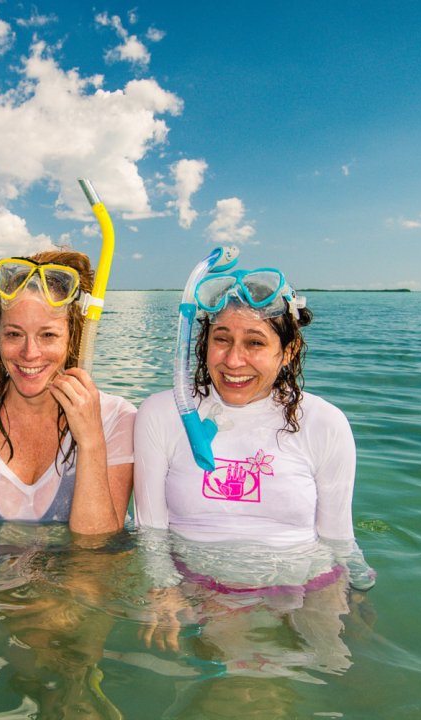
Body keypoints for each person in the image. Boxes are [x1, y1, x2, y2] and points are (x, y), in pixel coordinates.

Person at [132, 262, 375, 660]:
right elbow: (150, 529)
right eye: (221, 339)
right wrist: (163, 588)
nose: (233, 360)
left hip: (308, 580)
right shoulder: (162, 413)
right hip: (200, 584)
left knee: (335, 666)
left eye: (255, 343)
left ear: (288, 350)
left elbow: (336, 534)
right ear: (203, 342)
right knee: (230, 685)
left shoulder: (324, 422)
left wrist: (361, 586)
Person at [0, 250, 135, 535]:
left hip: (75, 579)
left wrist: (90, 441)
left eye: (48, 335)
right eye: (14, 334)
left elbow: (95, 548)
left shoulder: (118, 418)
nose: (30, 353)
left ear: (73, 338)